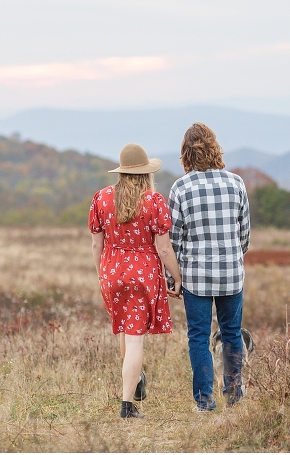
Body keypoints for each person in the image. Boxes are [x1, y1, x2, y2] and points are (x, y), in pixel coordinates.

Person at [90, 142, 183, 419]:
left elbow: (97, 244)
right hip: (143, 272)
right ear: (145, 173)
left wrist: (100, 273)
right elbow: (164, 248)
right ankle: (127, 404)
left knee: (124, 329)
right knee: (134, 340)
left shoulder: (102, 198)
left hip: (112, 272)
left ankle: (136, 379)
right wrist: (176, 277)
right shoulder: (154, 201)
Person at [168, 122, 250, 412]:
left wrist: (172, 279)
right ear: (215, 147)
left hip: (196, 276)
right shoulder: (236, 183)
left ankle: (204, 400)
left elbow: (174, 239)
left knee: (198, 337)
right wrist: (233, 257)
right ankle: (234, 392)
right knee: (231, 332)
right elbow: (244, 234)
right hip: (231, 273)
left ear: (186, 154)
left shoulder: (180, 188)